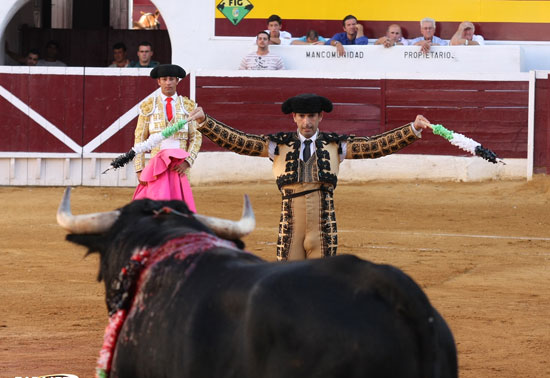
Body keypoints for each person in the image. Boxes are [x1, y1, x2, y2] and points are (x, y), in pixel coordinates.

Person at [187, 93, 432, 261]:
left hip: (324, 225)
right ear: (293, 118)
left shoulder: (336, 145)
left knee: (322, 285)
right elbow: (240, 141)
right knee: (287, 283)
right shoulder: (278, 144)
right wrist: (205, 123)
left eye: (311, 116)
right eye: (302, 116)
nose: (307, 122)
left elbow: (375, 146)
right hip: (289, 225)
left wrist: (412, 129)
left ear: (320, 117)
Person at [132, 64, 202, 211]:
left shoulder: (188, 106)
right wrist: (139, 169)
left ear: (177, 81)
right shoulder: (148, 107)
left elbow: (196, 137)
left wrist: (188, 162)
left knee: (180, 206)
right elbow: (139, 138)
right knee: (155, 204)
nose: (168, 82)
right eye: (164, 79)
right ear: (159, 82)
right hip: (156, 166)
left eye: (171, 79)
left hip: (180, 166)